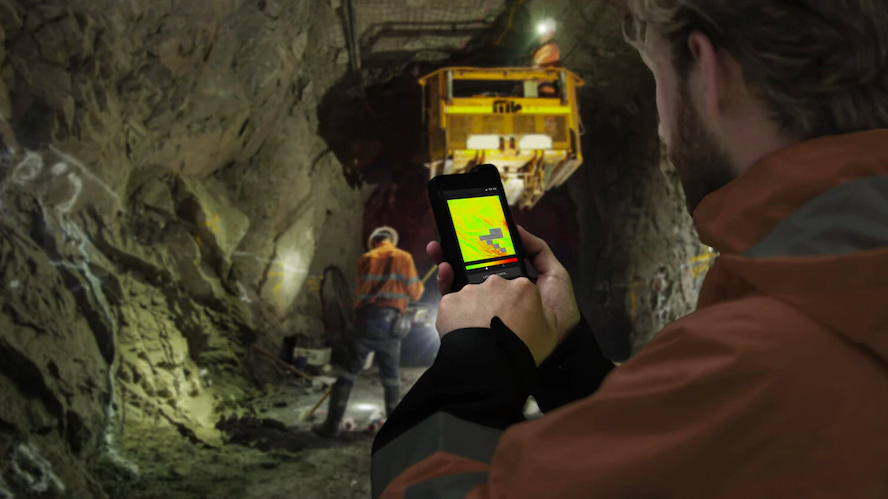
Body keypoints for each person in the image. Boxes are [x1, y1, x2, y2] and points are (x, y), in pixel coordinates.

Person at [370, 1, 888, 497]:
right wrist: (564, 356)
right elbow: (673, 450)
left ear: (711, 73)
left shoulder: (758, 361)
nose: (661, 127)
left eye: (656, 78)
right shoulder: (835, 299)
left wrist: (475, 358)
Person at [312, 226, 424, 438]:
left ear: (374, 242)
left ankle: (331, 426)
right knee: (391, 378)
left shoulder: (366, 258)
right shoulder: (404, 257)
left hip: (365, 323)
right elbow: (416, 292)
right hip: (391, 327)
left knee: (348, 372)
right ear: (392, 240)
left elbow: (362, 294)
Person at [525, 19, 561, 97]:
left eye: (544, 33)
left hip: (545, 90)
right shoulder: (540, 49)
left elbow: (538, 67)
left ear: (551, 34)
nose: (541, 35)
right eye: (541, 33)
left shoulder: (551, 48)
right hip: (537, 87)